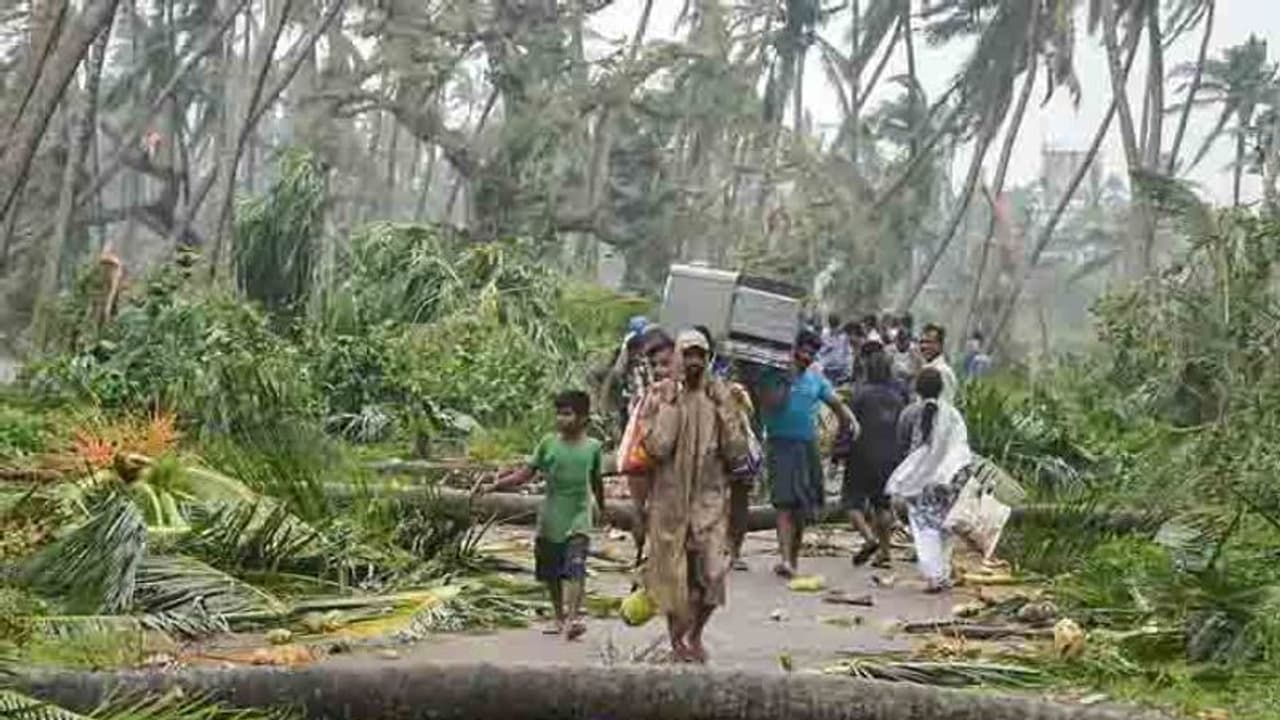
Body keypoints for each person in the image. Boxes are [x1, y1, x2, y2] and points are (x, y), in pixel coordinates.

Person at [640, 329, 748, 663]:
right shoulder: (660, 395)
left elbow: (737, 453)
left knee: (713, 572)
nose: (694, 362)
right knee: (675, 576)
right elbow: (657, 448)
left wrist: (725, 410)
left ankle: (696, 633)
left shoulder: (724, 396)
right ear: (677, 357)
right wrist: (670, 405)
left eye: (700, 355)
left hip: (710, 502)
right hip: (670, 502)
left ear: (709, 358)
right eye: (687, 354)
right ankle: (677, 643)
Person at [487, 391, 605, 638]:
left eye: (568, 414)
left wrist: (602, 508)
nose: (562, 419)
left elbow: (596, 481)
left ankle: (573, 619)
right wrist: (497, 486)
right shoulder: (548, 443)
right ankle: (558, 617)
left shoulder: (593, 447)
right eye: (559, 414)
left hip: (579, 515)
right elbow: (526, 474)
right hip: (551, 514)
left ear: (583, 418)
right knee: (551, 571)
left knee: (575, 567)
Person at [760, 329, 858, 578]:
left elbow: (836, 404)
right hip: (780, 444)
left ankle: (793, 558)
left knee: (801, 508)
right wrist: (787, 380)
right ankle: (785, 560)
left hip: (807, 447)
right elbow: (773, 404)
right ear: (793, 350)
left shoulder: (816, 379)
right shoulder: (774, 375)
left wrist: (848, 427)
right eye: (802, 351)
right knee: (783, 504)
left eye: (811, 353)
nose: (806, 357)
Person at [887, 369, 973, 593]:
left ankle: (934, 575)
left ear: (917, 389)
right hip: (949, 479)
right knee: (945, 525)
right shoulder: (953, 414)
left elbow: (905, 446)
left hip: (922, 481)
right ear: (942, 388)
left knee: (924, 527)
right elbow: (962, 446)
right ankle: (942, 572)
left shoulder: (910, 413)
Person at [842, 352, 905, 568]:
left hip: (862, 455)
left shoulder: (860, 394)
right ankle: (885, 553)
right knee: (882, 505)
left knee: (851, 502)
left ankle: (869, 538)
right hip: (890, 457)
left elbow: (848, 426)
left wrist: (838, 453)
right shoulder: (898, 397)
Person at [625, 328, 678, 568]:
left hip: (667, 465)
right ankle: (643, 557)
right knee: (643, 510)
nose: (660, 370)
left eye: (665, 363)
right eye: (656, 364)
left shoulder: (686, 394)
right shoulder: (651, 394)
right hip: (647, 459)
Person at [918, 323, 958, 404]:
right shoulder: (925, 368)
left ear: (940, 345)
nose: (924, 346)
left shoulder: (943, 372)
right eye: (922, 342)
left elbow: (945, 405)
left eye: (929, 342)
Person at [815, 315, 852, 385]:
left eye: (835, 325)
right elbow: (819, 351)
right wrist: (828, 346)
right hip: (826, 368)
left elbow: (848, 352)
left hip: (840, 368)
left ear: (838, 324)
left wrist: (848, 368)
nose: (834, 328)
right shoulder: (824, 335)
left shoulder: (844, 336)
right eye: (832, 325)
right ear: (829, 324)